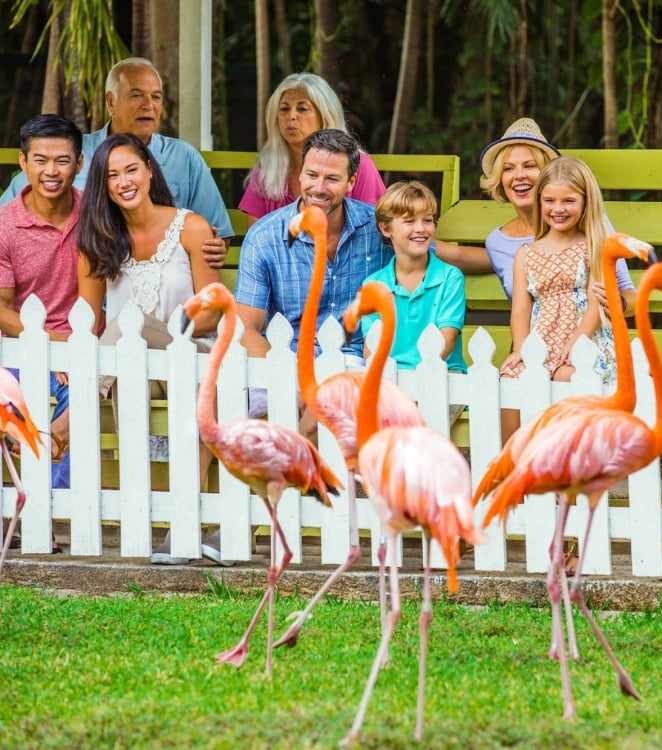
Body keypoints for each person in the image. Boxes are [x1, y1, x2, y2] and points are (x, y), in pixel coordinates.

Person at [76, 132, 227, 566]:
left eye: (131, 169)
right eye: (111, 175)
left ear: (148, 169)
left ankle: (67, 420)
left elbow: (212, 312)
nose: (124, 181)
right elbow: (87, 319)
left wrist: (164, 335)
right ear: (101, 186)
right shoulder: (97, 239)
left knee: (133, 323)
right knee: (127, 375)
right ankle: (160, 524)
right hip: (133, 366)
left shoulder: (191, 227)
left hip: (192, 352)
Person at [234, 128, 393, 420]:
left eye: (332, 178)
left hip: (358, 365)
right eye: (311, 175)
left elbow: (423, 249)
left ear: (351, 182)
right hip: (284, 361)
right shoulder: (265, 237)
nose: (319, 187)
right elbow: (246, 328)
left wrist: (499, 253)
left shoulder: (379, 229)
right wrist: (288, 379)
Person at [0, 57, 234, 255]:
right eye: (137, 95)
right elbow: (9, 214)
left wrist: (212, 250)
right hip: (79, 284)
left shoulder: (183, 157)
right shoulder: (74, 154)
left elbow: (218, 237)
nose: (149, 105)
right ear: (111, 102)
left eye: (156, 97)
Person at [0, 114, 84, 528]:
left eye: (62, 160)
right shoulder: (4, 226)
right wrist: (55, 344)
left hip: (85, 347)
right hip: (22, 344)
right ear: (23, 162)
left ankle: (47, 513)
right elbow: (2, 310)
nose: (51, 171)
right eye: (41, 160)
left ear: (79, 164)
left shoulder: (96, 214)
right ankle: (21, 513)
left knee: (81, 394)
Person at [498, 156, 616, 441]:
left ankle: (565, 458)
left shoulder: (594, 247)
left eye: (569, 201)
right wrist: (521, 350)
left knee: (566, 376)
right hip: (542, 342)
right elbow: (521, 311)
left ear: (586, 202)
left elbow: (595, 304)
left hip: (586, 343)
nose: (558, 209)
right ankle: (512, 457)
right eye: (550, 200)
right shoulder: (526, 253)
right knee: (510, 377)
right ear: (540, 201)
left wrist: (576, 343)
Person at [476, 117, 637, 315]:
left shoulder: (590, 221)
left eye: (529, 165)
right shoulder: (497, 244)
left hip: (586, 341)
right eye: (508, 168)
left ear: (548, 174)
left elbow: (630, 294)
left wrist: (617, 303)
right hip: (533, 343)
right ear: (500, 179)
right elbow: (520, 311)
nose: (519, 176)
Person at [361, 181, 467, 422]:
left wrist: (415, 389)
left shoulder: (450, 278)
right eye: (409, 221)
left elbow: (447, 338)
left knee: (414, 423)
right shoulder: (373, 286)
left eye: (428, 220)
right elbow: (371, 348)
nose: (421, 228)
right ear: (386, 228)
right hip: (390, 381)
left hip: (444, 379)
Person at [238, 73, 386, 226]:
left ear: (325, 116)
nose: (292, 116)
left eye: (302, 109)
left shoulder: (358, 165)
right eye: (284, 109)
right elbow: (255, 235)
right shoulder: (267, 169)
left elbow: (375, 230)